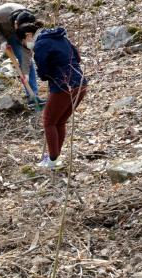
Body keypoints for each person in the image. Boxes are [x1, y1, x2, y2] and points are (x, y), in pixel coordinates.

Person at [18, 23, 89, 169]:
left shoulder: (41, 44)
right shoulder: (60, 37)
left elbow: (43, 72)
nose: (26, 46)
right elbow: (77, 57)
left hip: (64, 86)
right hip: (81, 84)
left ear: (28, 35)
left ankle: (53, 161)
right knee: (60, 121)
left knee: (49, 122)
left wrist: (49, 74)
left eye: (24, 43)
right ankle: (55, 157)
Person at [0, 4, 42, 112]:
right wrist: (2, 40)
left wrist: (26, 73)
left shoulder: (29, 21)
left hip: (13, 35)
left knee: (28, 64)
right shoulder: (2, 13)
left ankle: (33, 97)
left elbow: (26, 50)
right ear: (16, 23)